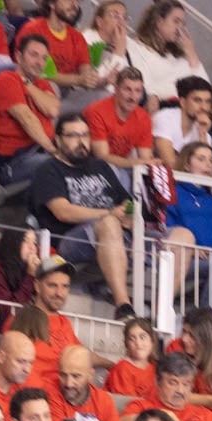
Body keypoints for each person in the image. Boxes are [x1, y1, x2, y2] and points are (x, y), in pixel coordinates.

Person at [32, 114, 135, 321]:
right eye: (73, 136)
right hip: (70, 241)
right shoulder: (48, 170)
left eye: (85, 135)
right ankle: (124, 306)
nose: (81, 142)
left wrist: (129, 215)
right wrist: (109, 214)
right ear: (59, 139)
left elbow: (127, 202)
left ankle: (162, 315)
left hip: (116, 233)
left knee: (181, 235)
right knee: (108, 224)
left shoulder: (101, 167)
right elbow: (63, 211)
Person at [0, 34, 61, 188]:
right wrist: (54, 152)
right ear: (18, 56)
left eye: (44, 58)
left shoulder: (42, 84)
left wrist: (27, 83)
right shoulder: (6, 79)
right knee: (55, 166)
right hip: (13, 163)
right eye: (34, 55)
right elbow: (27, 118)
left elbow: (53, 109)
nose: (39, 62)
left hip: (40, 153)